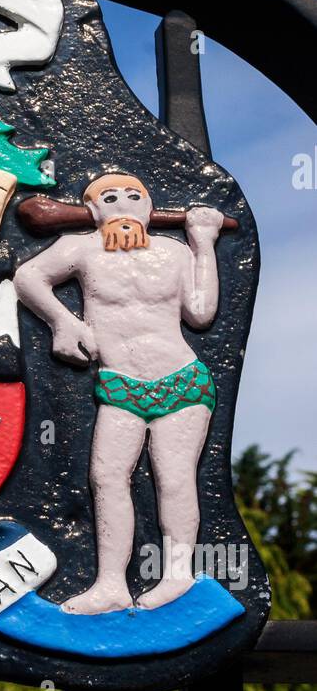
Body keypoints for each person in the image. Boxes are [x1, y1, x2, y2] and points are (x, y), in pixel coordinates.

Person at [14, 172, 224, 614]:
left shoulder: (174, 252)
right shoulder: (79, 248)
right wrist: (63, 321)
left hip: (181, 379)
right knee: (107, 477)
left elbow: (201, 314)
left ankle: (179, 574)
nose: (124, 204)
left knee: (173, 475)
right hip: (119, 384)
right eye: (109, 197)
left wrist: (203, 242)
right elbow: (28, 277)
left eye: (135, 196)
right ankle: (110, 583)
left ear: (150, 209)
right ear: (93, 210)